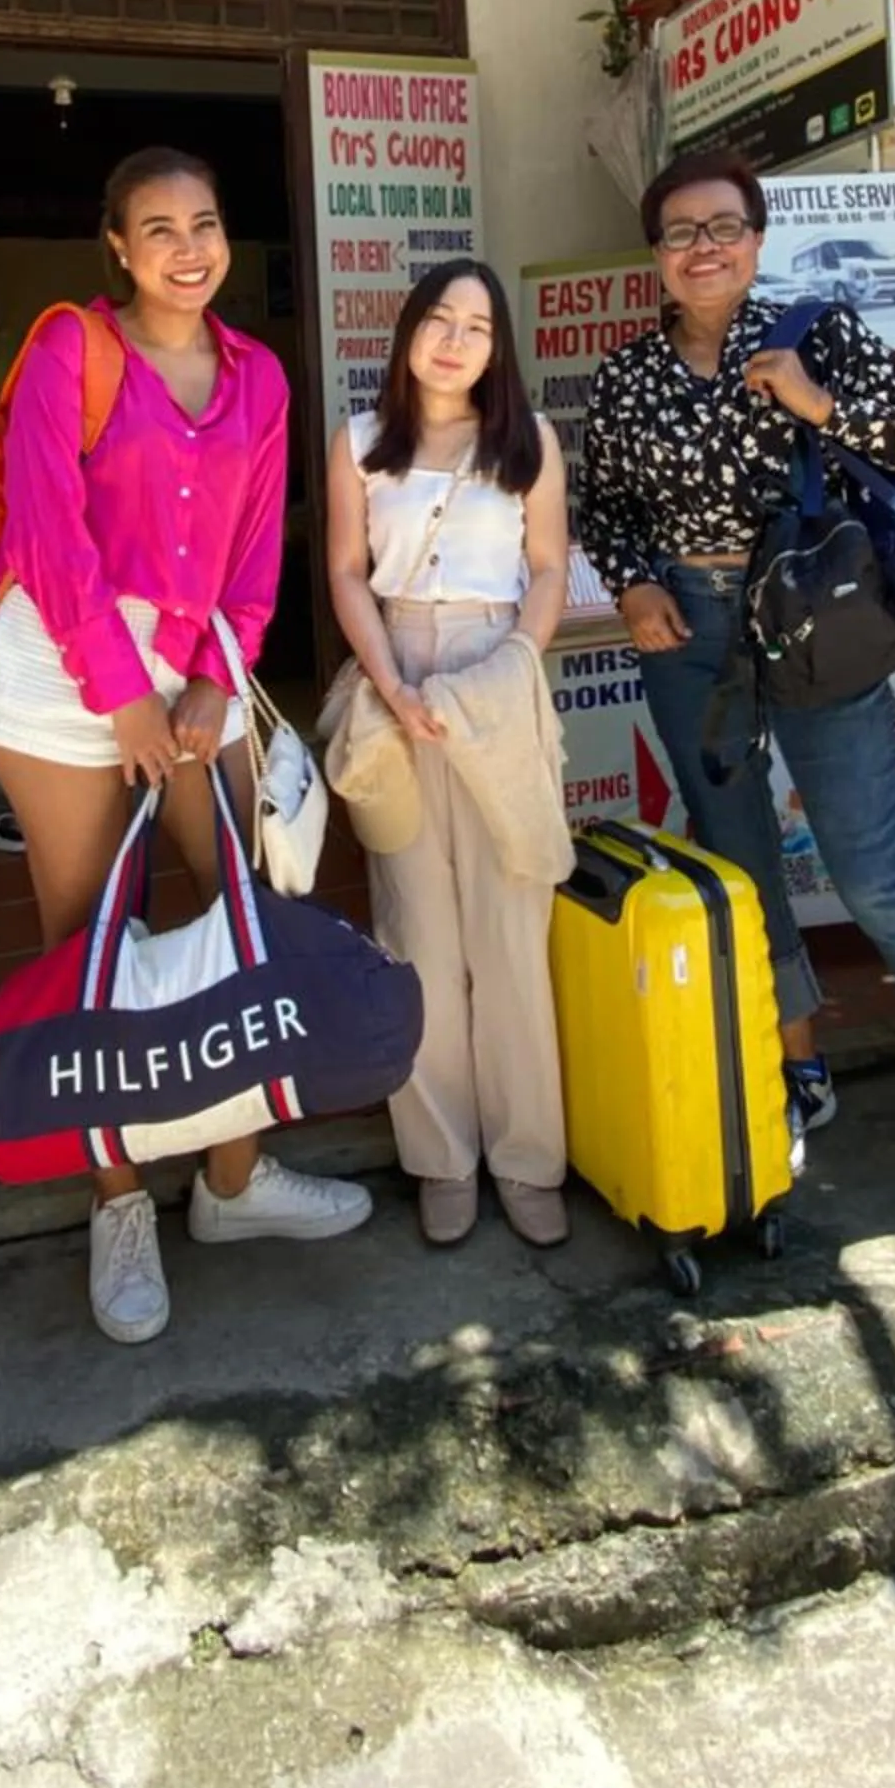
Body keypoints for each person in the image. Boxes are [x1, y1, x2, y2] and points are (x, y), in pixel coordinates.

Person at [579, 149, 895, 1241]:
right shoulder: (626, 375)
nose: (702, 248)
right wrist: (636, 581)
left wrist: (817, 402)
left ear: (755, 238)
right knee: (741, 868)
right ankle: (797, 1068)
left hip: (815, 628)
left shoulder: (816, 332)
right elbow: (603, 505)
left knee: (875, 876)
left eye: (723, 227)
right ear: (655, 255)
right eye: (680, 233)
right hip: (687, 639)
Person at [0, 145, 371, 1344]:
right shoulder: (68, 351)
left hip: (197, 671)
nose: (188, 250)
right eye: (159, 229)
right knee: (87, 941)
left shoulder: (257, 376)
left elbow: (255, 548)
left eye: (205, 223)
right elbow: (46, 534)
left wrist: (208, 675)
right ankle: (120, 1200)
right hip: (61, 666)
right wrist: (122, 695)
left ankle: (234, 1184)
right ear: (118, 247)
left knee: (240, 905)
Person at [324, 262, 573, 1250]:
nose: (455, 339)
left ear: (497, 348)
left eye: (477, 325)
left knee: (512, 927)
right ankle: (440, 1157)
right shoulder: (360, 444)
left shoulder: (528, 443)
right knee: (417, 929)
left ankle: (527, 1156)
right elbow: (346, 571)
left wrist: (516, 659)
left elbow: (548, 565)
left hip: (497, 668)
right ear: (409, 332)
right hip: (396, 671)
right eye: (438, 318)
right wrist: (390, 682)